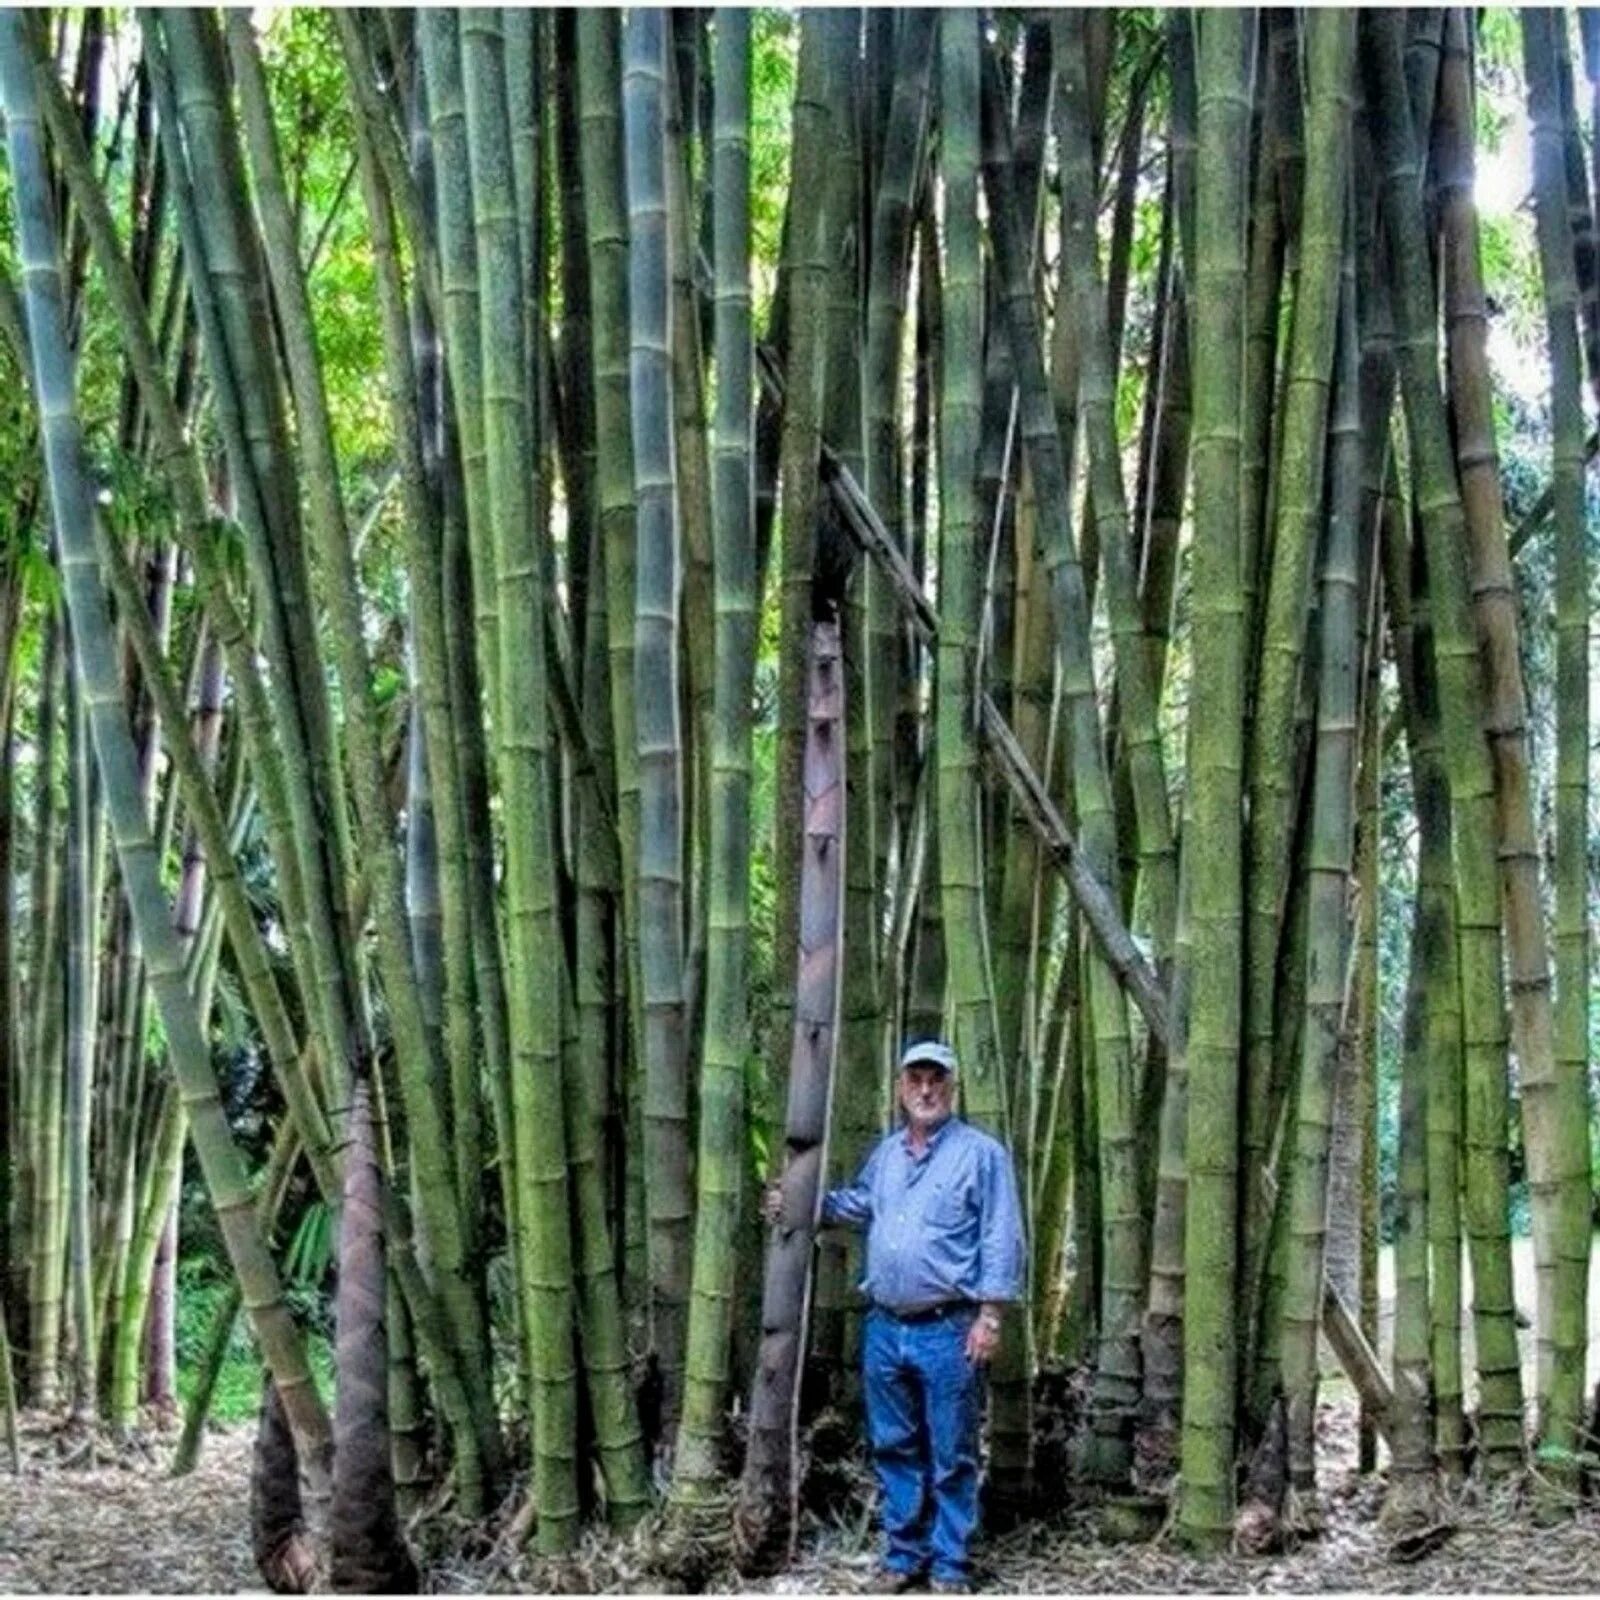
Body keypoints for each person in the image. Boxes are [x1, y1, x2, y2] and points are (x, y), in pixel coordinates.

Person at [764, 1039, 1025, 1594]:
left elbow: (1001, 1238)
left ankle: (951, 1564)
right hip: (884, 1325)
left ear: (953, 1087)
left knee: (951, 1451)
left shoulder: (982, 1154)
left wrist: (991, 1317)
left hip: (948, 1327)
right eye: (916, 1080)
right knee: (894, 1445)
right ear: (901, 1088)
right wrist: (799, 1201)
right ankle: (904, 1556)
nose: (926, 1090)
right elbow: (856, 1205)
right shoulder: (886, 1155)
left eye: (937, 1080)